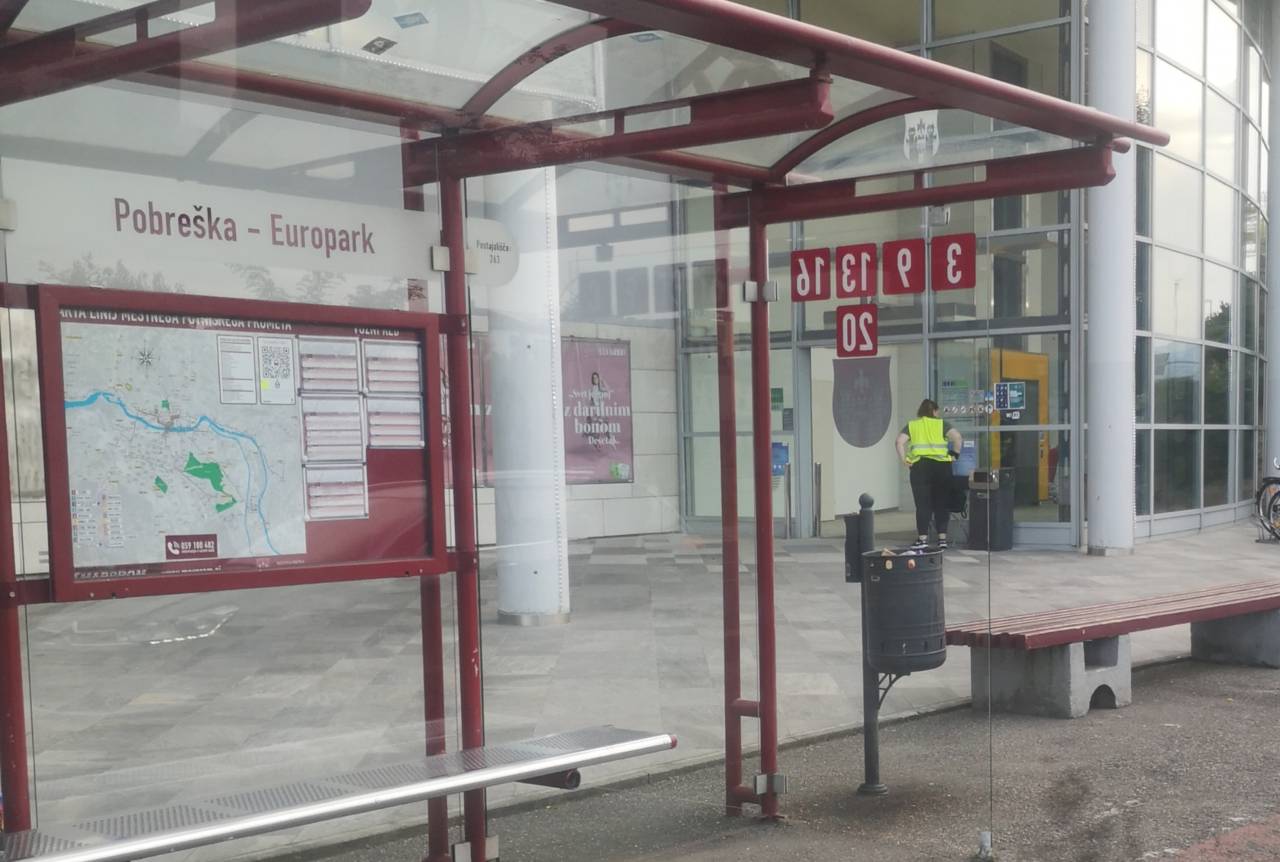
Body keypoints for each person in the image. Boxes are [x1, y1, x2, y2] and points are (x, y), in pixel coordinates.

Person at [896, 398, 964, 550]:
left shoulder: (912, 425)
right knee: (942, 503)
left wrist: (904, 460)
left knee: (922, 505)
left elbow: (899, 442)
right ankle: (942, 539)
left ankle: (922, 539)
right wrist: (954, 455)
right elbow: (958, 438)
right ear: (934, 411)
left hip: (920, 468)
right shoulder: (942, 424)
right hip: (942, 467)